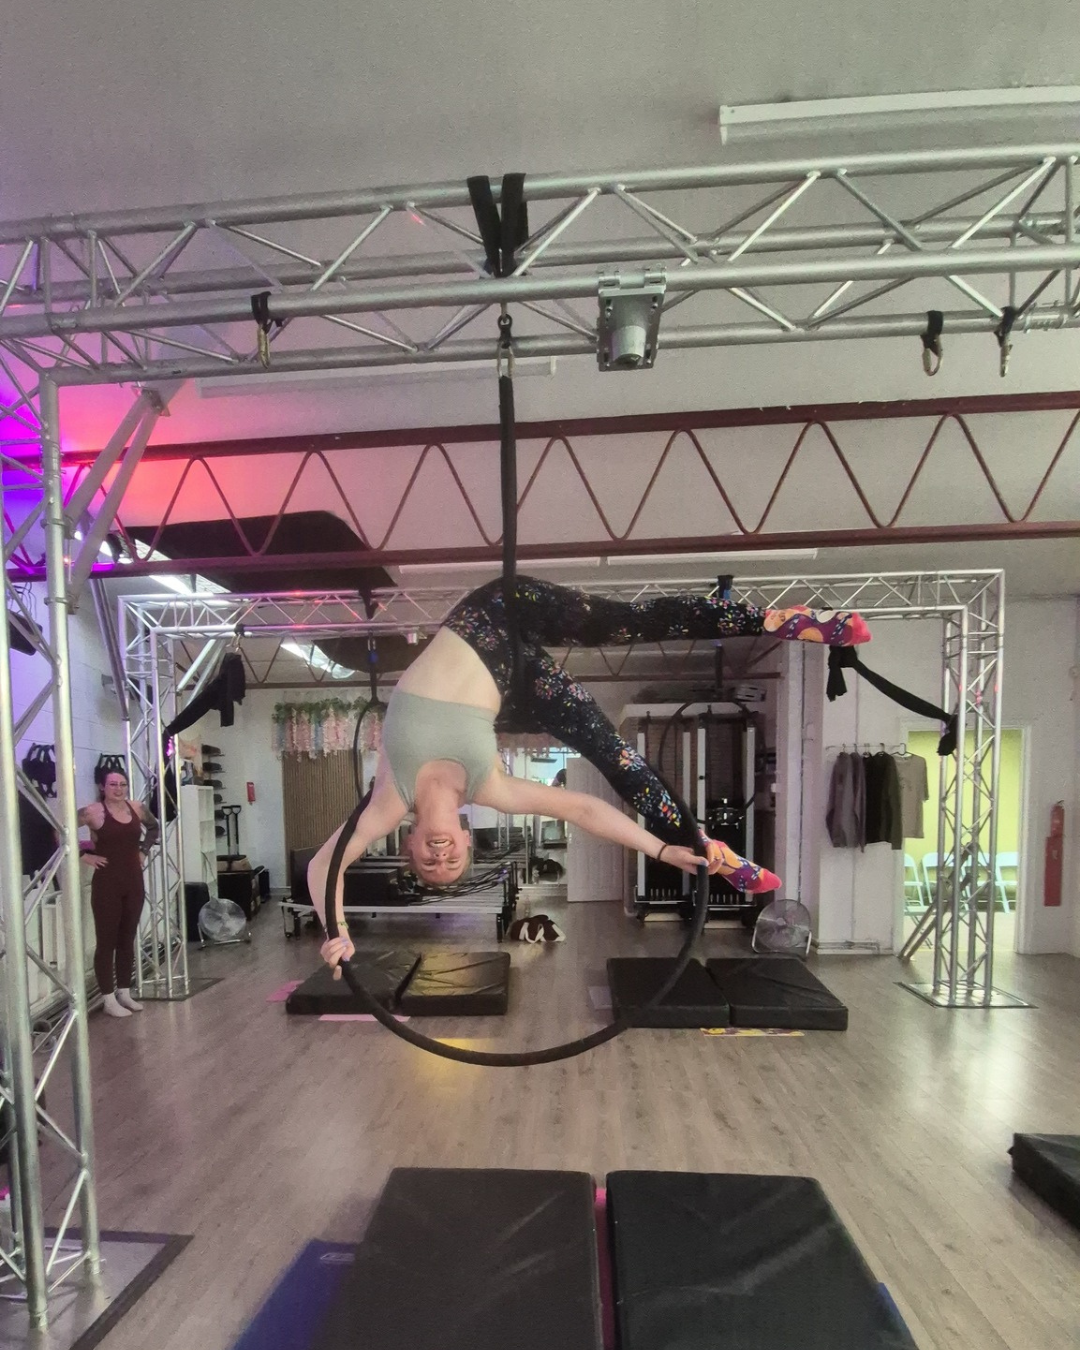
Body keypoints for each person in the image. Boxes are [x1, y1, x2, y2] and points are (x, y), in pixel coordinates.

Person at [309, 577, 870, 973]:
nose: (440, 857)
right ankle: (704, 848)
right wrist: (659, 850)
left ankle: (772, 621)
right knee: (615, 756)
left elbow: (321, 867)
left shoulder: (388, 800)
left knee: (621, 624)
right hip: (516, 682)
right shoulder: (489, 787)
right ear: (464, 838)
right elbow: (583, 808)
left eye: (429, 863)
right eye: (451, 863)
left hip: (492, 616)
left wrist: (337, 931)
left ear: (408, 844)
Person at [78, 770, 159, 1018]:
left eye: (123, 784)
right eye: (113, 784)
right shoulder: (93, 812)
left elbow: (154, 827)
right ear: (103, 787)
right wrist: (84, 855)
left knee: (127, 938)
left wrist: (143, 850)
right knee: (106, 941)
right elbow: (60, 831)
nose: (118, 789)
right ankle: (108, 998)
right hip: (107, 884)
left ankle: (124, 992)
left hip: (133, 881)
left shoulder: (136, 808)